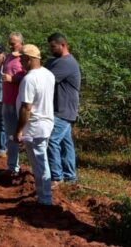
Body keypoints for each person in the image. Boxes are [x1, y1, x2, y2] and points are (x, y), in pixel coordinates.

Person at [14, 44, 55, 206]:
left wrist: (19, 130)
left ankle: (45, 198)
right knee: (40, 161)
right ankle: (42, 195)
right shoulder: (48, 74)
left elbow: (26, 107)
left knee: (39, 164)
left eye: (22, 59)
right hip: (45, 124)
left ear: (29, 60)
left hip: (34, 127)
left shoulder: (29, 79)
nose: (20, 63)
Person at [45, 33, 81, 187]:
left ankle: (57, 177)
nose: (51, 49)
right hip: (62, 109)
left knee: (51, 140)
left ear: (63, 45)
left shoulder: (66, 63)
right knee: (66, 144)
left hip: (63, 110)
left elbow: (45, 79)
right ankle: (70, 177)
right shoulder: (56, 61)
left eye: (53, 46)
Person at [1, 32, 26, 177]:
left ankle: (14, 168)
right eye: (10, 42)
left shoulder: (23, 58)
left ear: (21, 43)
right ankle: (13, 166)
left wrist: (13, 79)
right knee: (10, 135)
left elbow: (28, 77)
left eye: (14, 43)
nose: (11, 45)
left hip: (17, 102)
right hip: (7, 101)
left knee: (18, 135)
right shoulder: (9, 57)